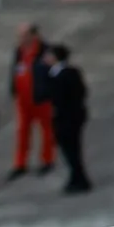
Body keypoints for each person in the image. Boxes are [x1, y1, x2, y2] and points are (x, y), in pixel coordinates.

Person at [5, 22, 54, 181]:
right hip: (23, 100)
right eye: (20, 36)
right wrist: (13, 89)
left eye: (24, 35)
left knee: (46, 130)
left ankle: (47, 160)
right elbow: (15, 70)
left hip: (40, 99)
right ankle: (20, 163)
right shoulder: (19, 52)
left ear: (34, 35)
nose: (21, 39)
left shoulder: (45, 51)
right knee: (22, 132)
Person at [40, 47, 91, 194]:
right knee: (69, 149)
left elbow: (75, 94)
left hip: (69, 118)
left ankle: (80, 178)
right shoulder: (53, 74)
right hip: (65, 117)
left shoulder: (67, 73)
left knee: (72, 149)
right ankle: (76, 176)